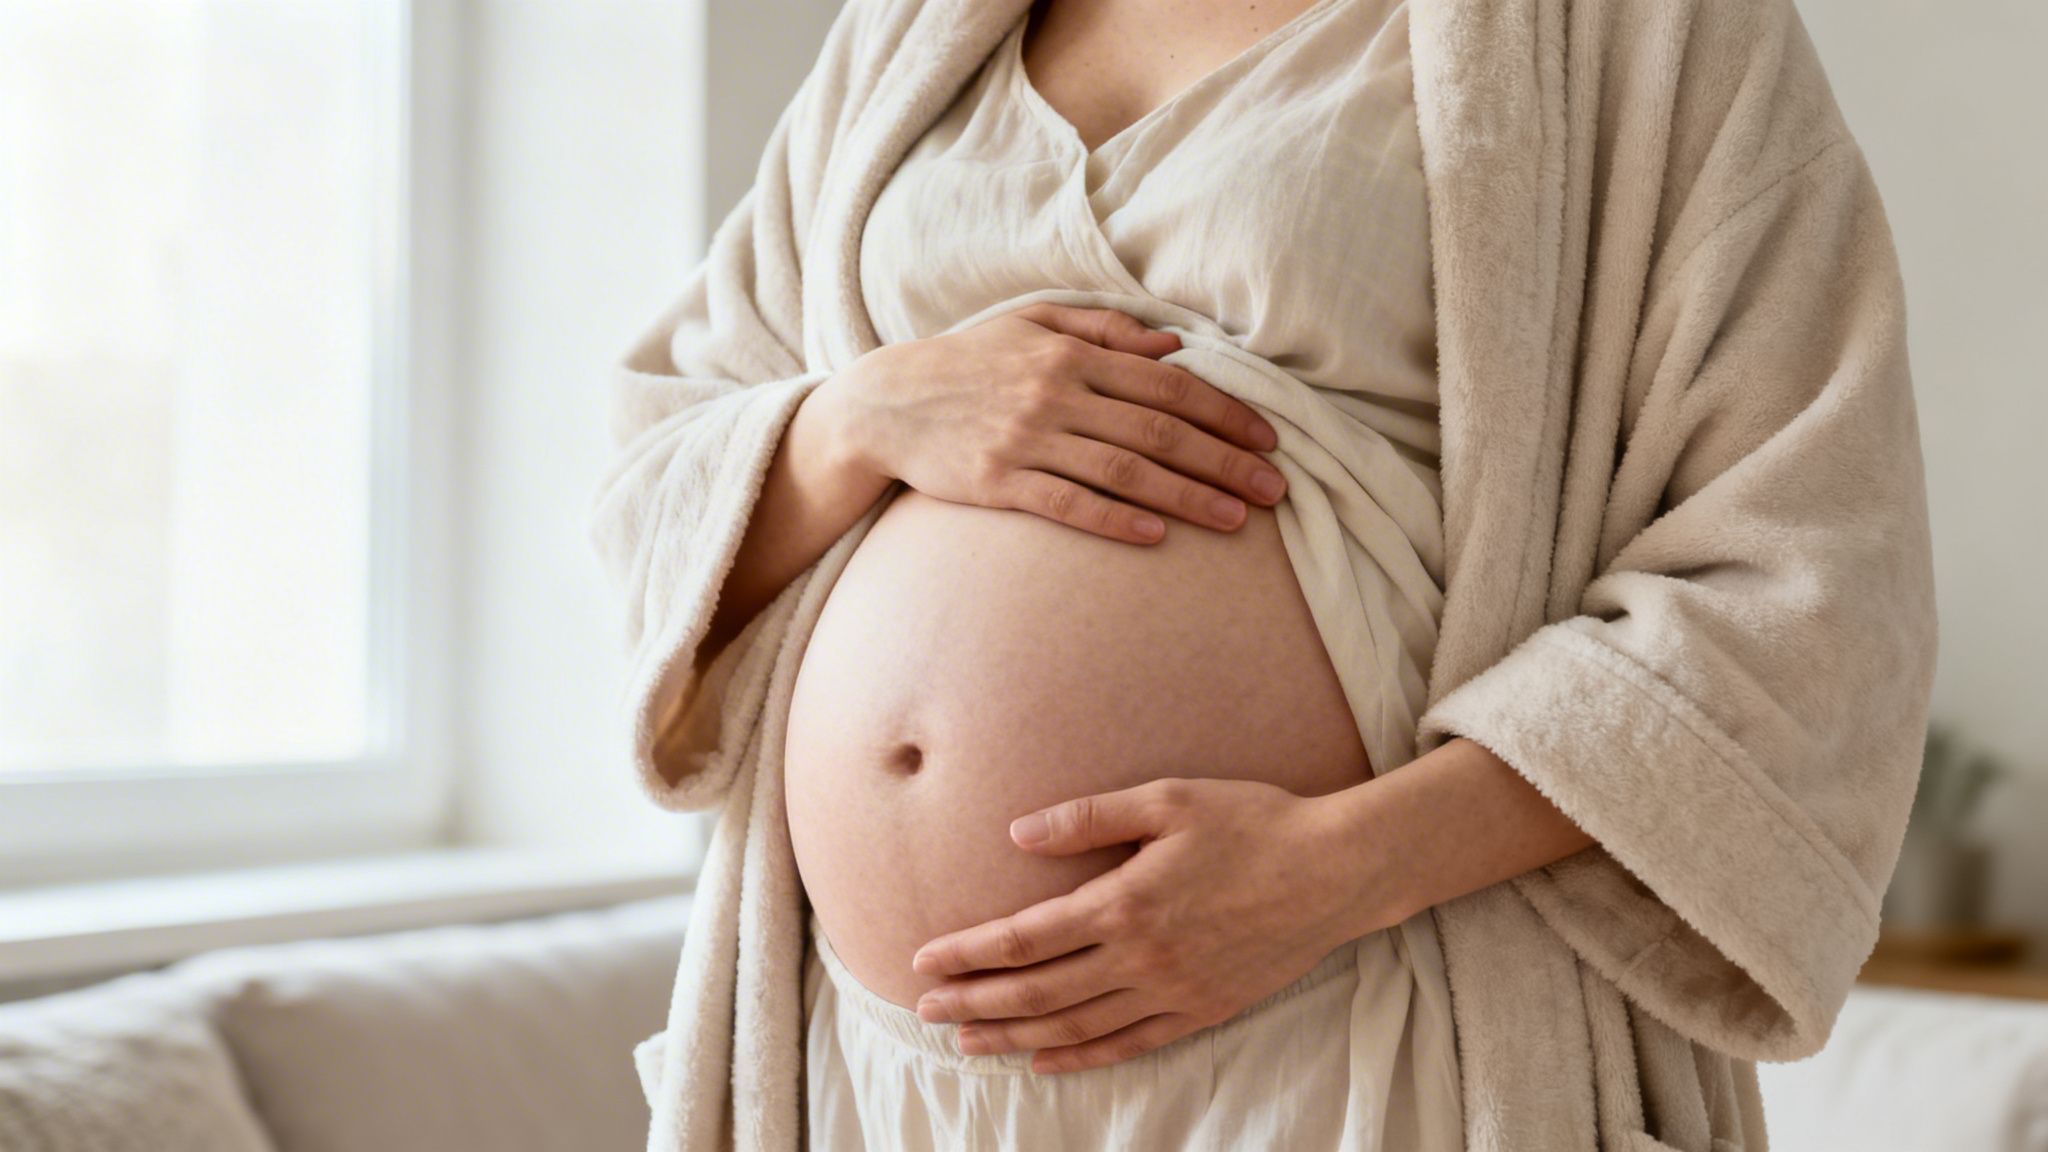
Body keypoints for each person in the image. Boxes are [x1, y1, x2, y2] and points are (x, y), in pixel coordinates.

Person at [593, 0, 1938, 1148]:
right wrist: (856, 419)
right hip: (882, 1077)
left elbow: (1809, 572)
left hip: (1354, 1021)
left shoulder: (1628, 29)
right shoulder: (911, 32)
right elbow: (659, 465)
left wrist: (1343, 871)